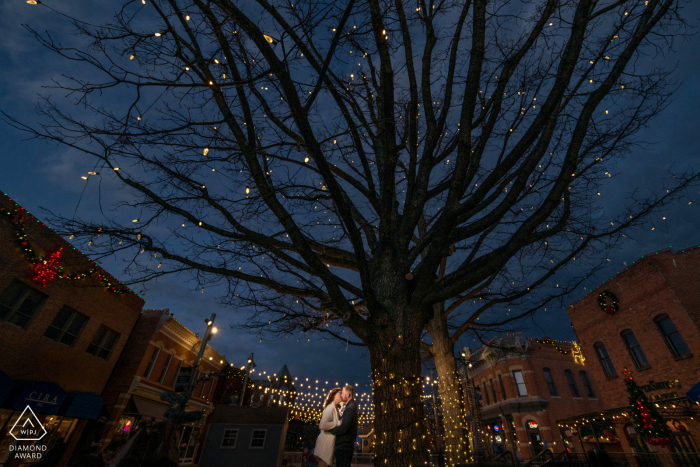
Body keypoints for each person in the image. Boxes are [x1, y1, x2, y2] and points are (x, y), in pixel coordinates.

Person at [326, 385, 358, 467]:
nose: (341, 395)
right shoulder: (351, 407)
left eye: (343, 393)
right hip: (346, 446)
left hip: (344, 446)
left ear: (348, 395)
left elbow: (344, 427)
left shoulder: (350, 408)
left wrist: (331, 430)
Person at [314, 388, 343, 467]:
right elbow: (322, 425)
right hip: (324, 446)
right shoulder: (330, 408)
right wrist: (338, 423)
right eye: (340, 393)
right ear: (334, 395)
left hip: (328, 447)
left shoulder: (336, 409)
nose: (341, 394)